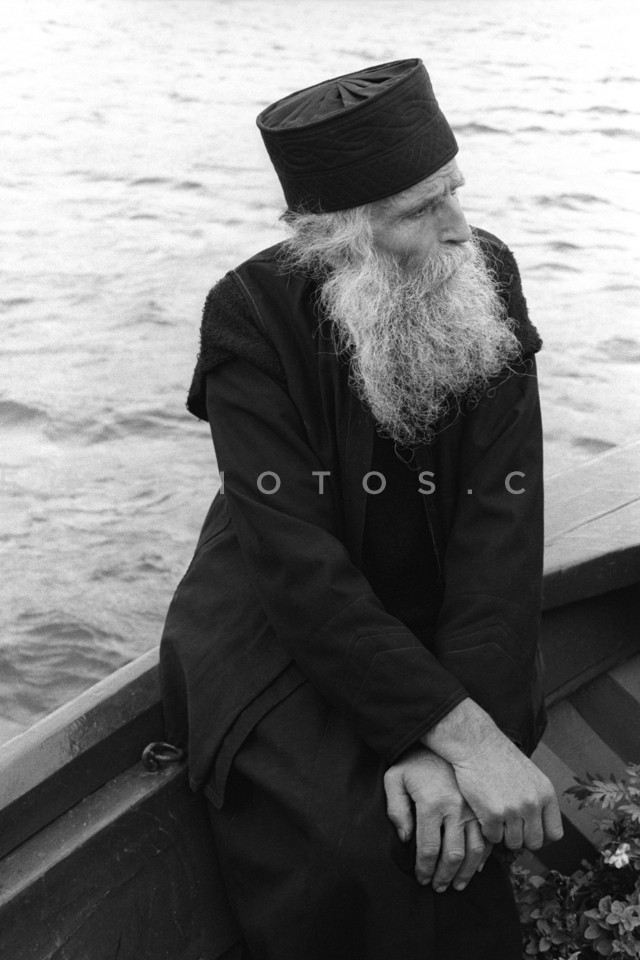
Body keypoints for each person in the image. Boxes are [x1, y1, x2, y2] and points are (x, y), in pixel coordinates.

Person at [160, 58, 563, 960]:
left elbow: (500, 526)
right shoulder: (248, 316)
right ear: (338, 241)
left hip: (440, 601)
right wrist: (448, 733)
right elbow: (295, 564)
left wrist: (466, 742)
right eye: (420, 211)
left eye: (454, 192)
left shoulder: (485, 271)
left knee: (464, 822)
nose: (460, 229)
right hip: (276, 625)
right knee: (358, 841)